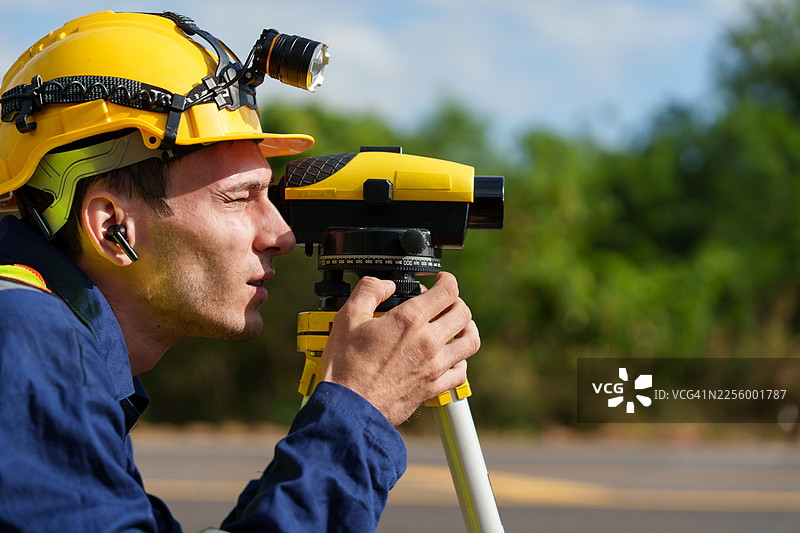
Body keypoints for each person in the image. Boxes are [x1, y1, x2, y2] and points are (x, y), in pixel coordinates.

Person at [0, 11, 479, 532]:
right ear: (113, 226)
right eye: (239, 198)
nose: (282, 235)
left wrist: (339, 417)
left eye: (268, 194)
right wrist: (361, 414)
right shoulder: (27, 346)